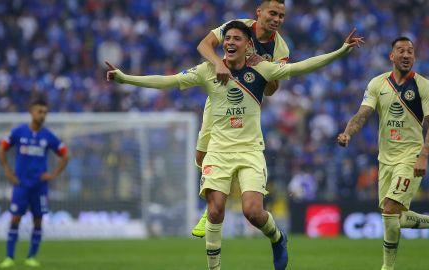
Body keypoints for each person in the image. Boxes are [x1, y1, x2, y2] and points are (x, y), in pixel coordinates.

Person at [107, 20, 363, 270]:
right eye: (227, 38)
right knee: (216, 209)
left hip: (250, 151)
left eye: (236, 38)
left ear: (248, 45)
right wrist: (125, 78)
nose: (229, 42)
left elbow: (303, 67)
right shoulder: (208, 71)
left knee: (252, 212)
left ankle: (277, 237)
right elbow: (168, 80)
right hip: (218, 151)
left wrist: (341, 50)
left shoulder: (262, 69)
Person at [336, 36, 429, 270]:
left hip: (410, 156)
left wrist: (423, 155)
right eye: (401, 50)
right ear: (392, 56)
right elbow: (362, 114)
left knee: (390, 210)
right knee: (393, 217)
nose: (406, 55)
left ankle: (387, 268)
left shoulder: (423, 85)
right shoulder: (377, 84)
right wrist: (348, 132)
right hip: (385, 159)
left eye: (410, 51)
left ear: (414, 57)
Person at [192, 0, 289, 237]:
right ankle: (211, 205)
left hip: (245, 104)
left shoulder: (281, 49)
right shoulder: (239, 28)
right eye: (272, 13)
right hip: (218, 97)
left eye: (281, 16)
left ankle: (212, 209)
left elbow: (271, 90)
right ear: (259, 13)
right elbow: (204, 45)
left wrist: (263, 66)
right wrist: (218, 64)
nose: (276, 19)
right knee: (200, 155)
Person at [0, 98, 69, 268]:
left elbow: (65, 154)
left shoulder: (48, 136)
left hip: (40, 187)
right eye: (40, 111)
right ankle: (9, 257)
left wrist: (53, 174)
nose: (42, 115)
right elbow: (1, 148)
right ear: (31, 112)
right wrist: (8, 171)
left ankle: (31, 257)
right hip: (21, 185)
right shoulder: (19, 132)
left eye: (45, 112)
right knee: (15, 219)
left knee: (38, 220)